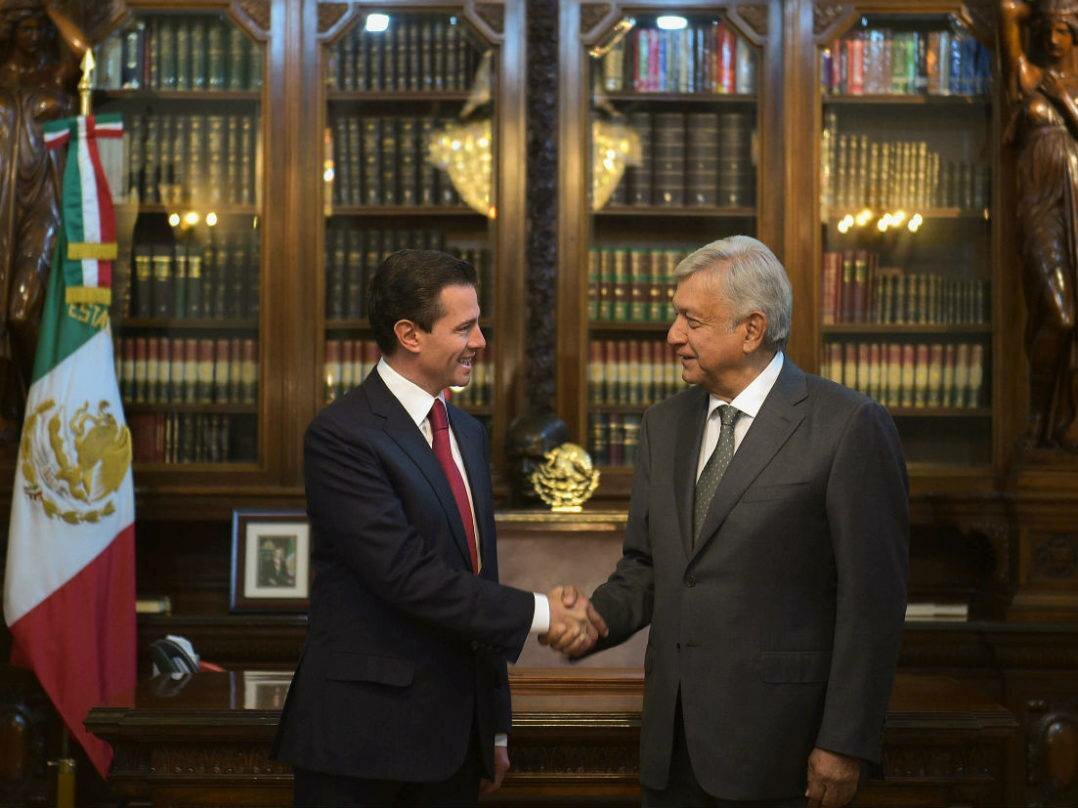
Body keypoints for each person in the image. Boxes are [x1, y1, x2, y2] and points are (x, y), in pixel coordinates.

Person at [546, 236, 909, 808]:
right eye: (676, 317)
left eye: (691, 320)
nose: (673, 335)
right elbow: (647, 567)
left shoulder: (848, 426)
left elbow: (873, 604)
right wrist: (595, 619)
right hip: (672, 748)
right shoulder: (663, 425)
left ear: (752, 330)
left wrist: (845, 741)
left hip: (782, 752)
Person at [271, 249, 601, 808]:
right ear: (409, 334)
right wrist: (544, 613)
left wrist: (495, 726)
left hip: (454, 743)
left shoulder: (467, 433)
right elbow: (405, 574)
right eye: (465, 328)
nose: (481, 342)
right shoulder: (343, 436)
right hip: (362, 743)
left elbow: (477, 576)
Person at [0, 0, 89, 438]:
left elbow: (82, 51)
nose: (34, 37)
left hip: (43, 206)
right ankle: (13, 415)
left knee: (20, 313)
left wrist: (51, 7)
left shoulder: (52, 77)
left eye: (40, 30)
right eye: (27, 29)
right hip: (3, 205)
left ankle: (43, 407)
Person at [1001, 0, 1078, 450]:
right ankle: (1036, 415)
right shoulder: (1027, 76)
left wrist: (1062, 97)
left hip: (1075, 204)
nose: (1052, 38)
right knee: (1060, 315)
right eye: (1046, 28)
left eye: (1063, 30)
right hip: (1039, 208)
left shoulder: (1064, 86)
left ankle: (1065, 420)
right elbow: (1008, 9)